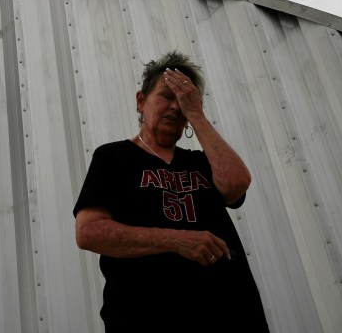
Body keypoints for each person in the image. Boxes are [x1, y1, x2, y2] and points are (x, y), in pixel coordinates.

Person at [74, 51, 269, 331]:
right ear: (141, 102)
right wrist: (178, 240)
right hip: (146, 317)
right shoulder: (114, 157)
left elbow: (237, 184)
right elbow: (88, 232)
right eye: (167, 95)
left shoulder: (202, 163)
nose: (176, 107)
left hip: (232, 315)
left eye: (184, 100)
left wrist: (197, 115)